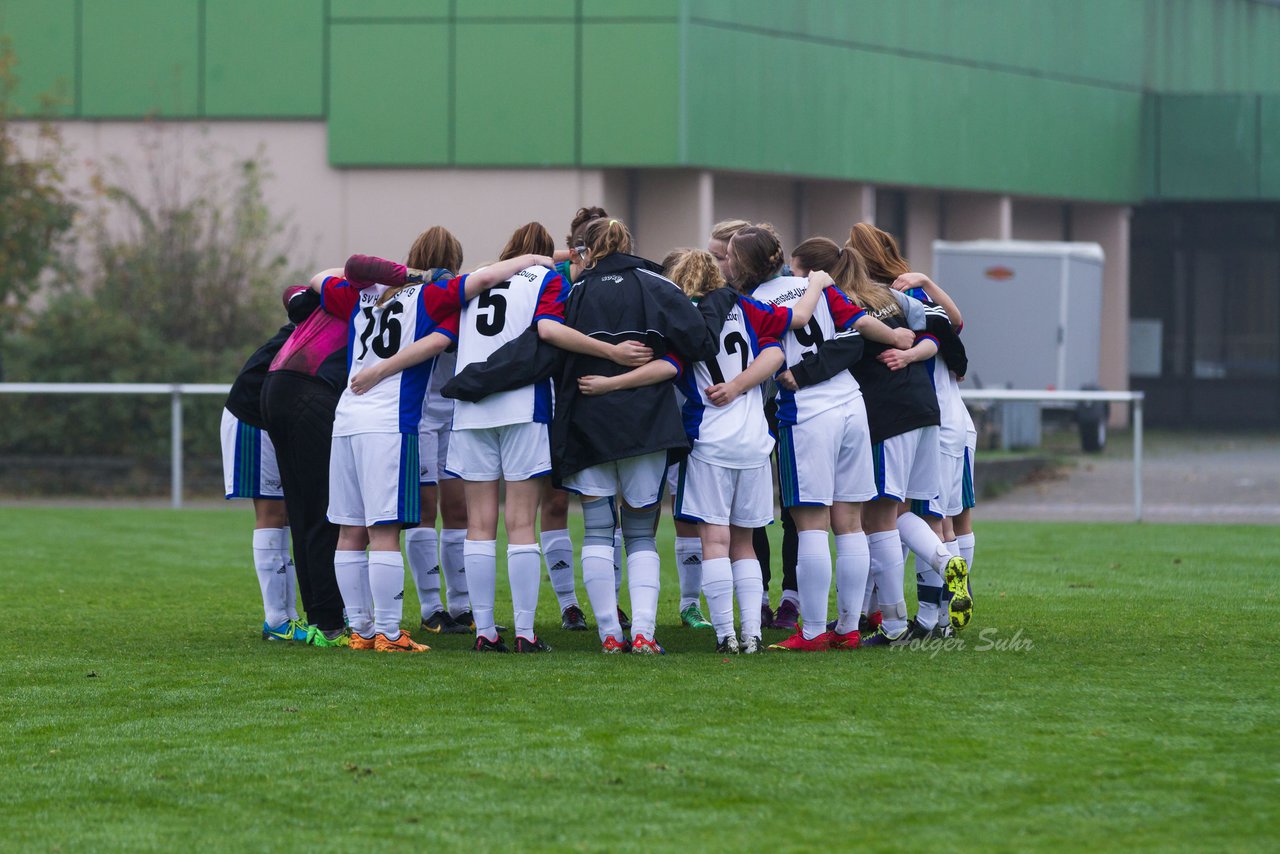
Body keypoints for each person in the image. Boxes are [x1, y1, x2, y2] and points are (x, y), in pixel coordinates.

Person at [319, 242, 556, 653]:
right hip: (389, 423)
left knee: (348, 531)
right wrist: (532, 260)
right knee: (384, 531)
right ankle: (390, 634)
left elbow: (321, 276)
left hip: (347, 420)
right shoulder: (429, 293)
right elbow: (482, 280)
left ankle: (359, 629)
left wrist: (387, 276)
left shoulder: (362, 294)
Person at [729, 223, 911, 651]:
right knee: (849, 525)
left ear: (745, 264)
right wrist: (898, 336)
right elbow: (859, 323)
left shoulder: (753, 302)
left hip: (806, 413)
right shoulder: (817, 284)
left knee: (810, 524)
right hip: (851, 403)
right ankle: (847, 628)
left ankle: (811, 631)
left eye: (732, 258)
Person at [554, 218, 720, 653]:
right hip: (647, 422)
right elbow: (700, 341)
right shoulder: (655, 283)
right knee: (641, 533)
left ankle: (609, 634)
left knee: (595, 530)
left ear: (585, 249)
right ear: (629, 242)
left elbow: (548, 346)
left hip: (587, 418)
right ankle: (644, 632)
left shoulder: (573, 289)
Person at [666, 248, 829, 653]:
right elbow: (777, 348)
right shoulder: (748, 306)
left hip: (709, 439)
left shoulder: (683, 318)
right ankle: (753, 634)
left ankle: (725, 634)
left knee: (715, 542)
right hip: (755, 440)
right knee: (743, 542)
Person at [847, 223, 974, 635]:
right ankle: (935, 619)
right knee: (941, 519)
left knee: (886, 515)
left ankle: (903, 620)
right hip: (940, 417)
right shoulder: (910, 295)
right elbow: (952, 329)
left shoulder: (888, 296)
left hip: (911, 413)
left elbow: (949, 329)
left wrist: (907, 351)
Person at [260, 283, 351, 647]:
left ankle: (321, 615)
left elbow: (295, 291)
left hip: (277, 388)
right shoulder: (358, 292)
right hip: (307, 391)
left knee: (303, 511)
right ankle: (329, 621)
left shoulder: (328, 299)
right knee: (323, 511)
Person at [221, 287, 313, 641]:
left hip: (272, 419)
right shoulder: (304, 332)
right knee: (272, 514)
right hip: (252, 419)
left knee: (284, 514)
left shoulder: (306, 331)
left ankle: (286, 617)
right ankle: (277, 621)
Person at [397, 228, 471, 636]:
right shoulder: (414, 295)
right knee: (433, 512)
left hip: (454, 412)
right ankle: (432, 608)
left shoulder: (460, 293)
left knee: (453, 510)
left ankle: (459, 605)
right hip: (422, 414)